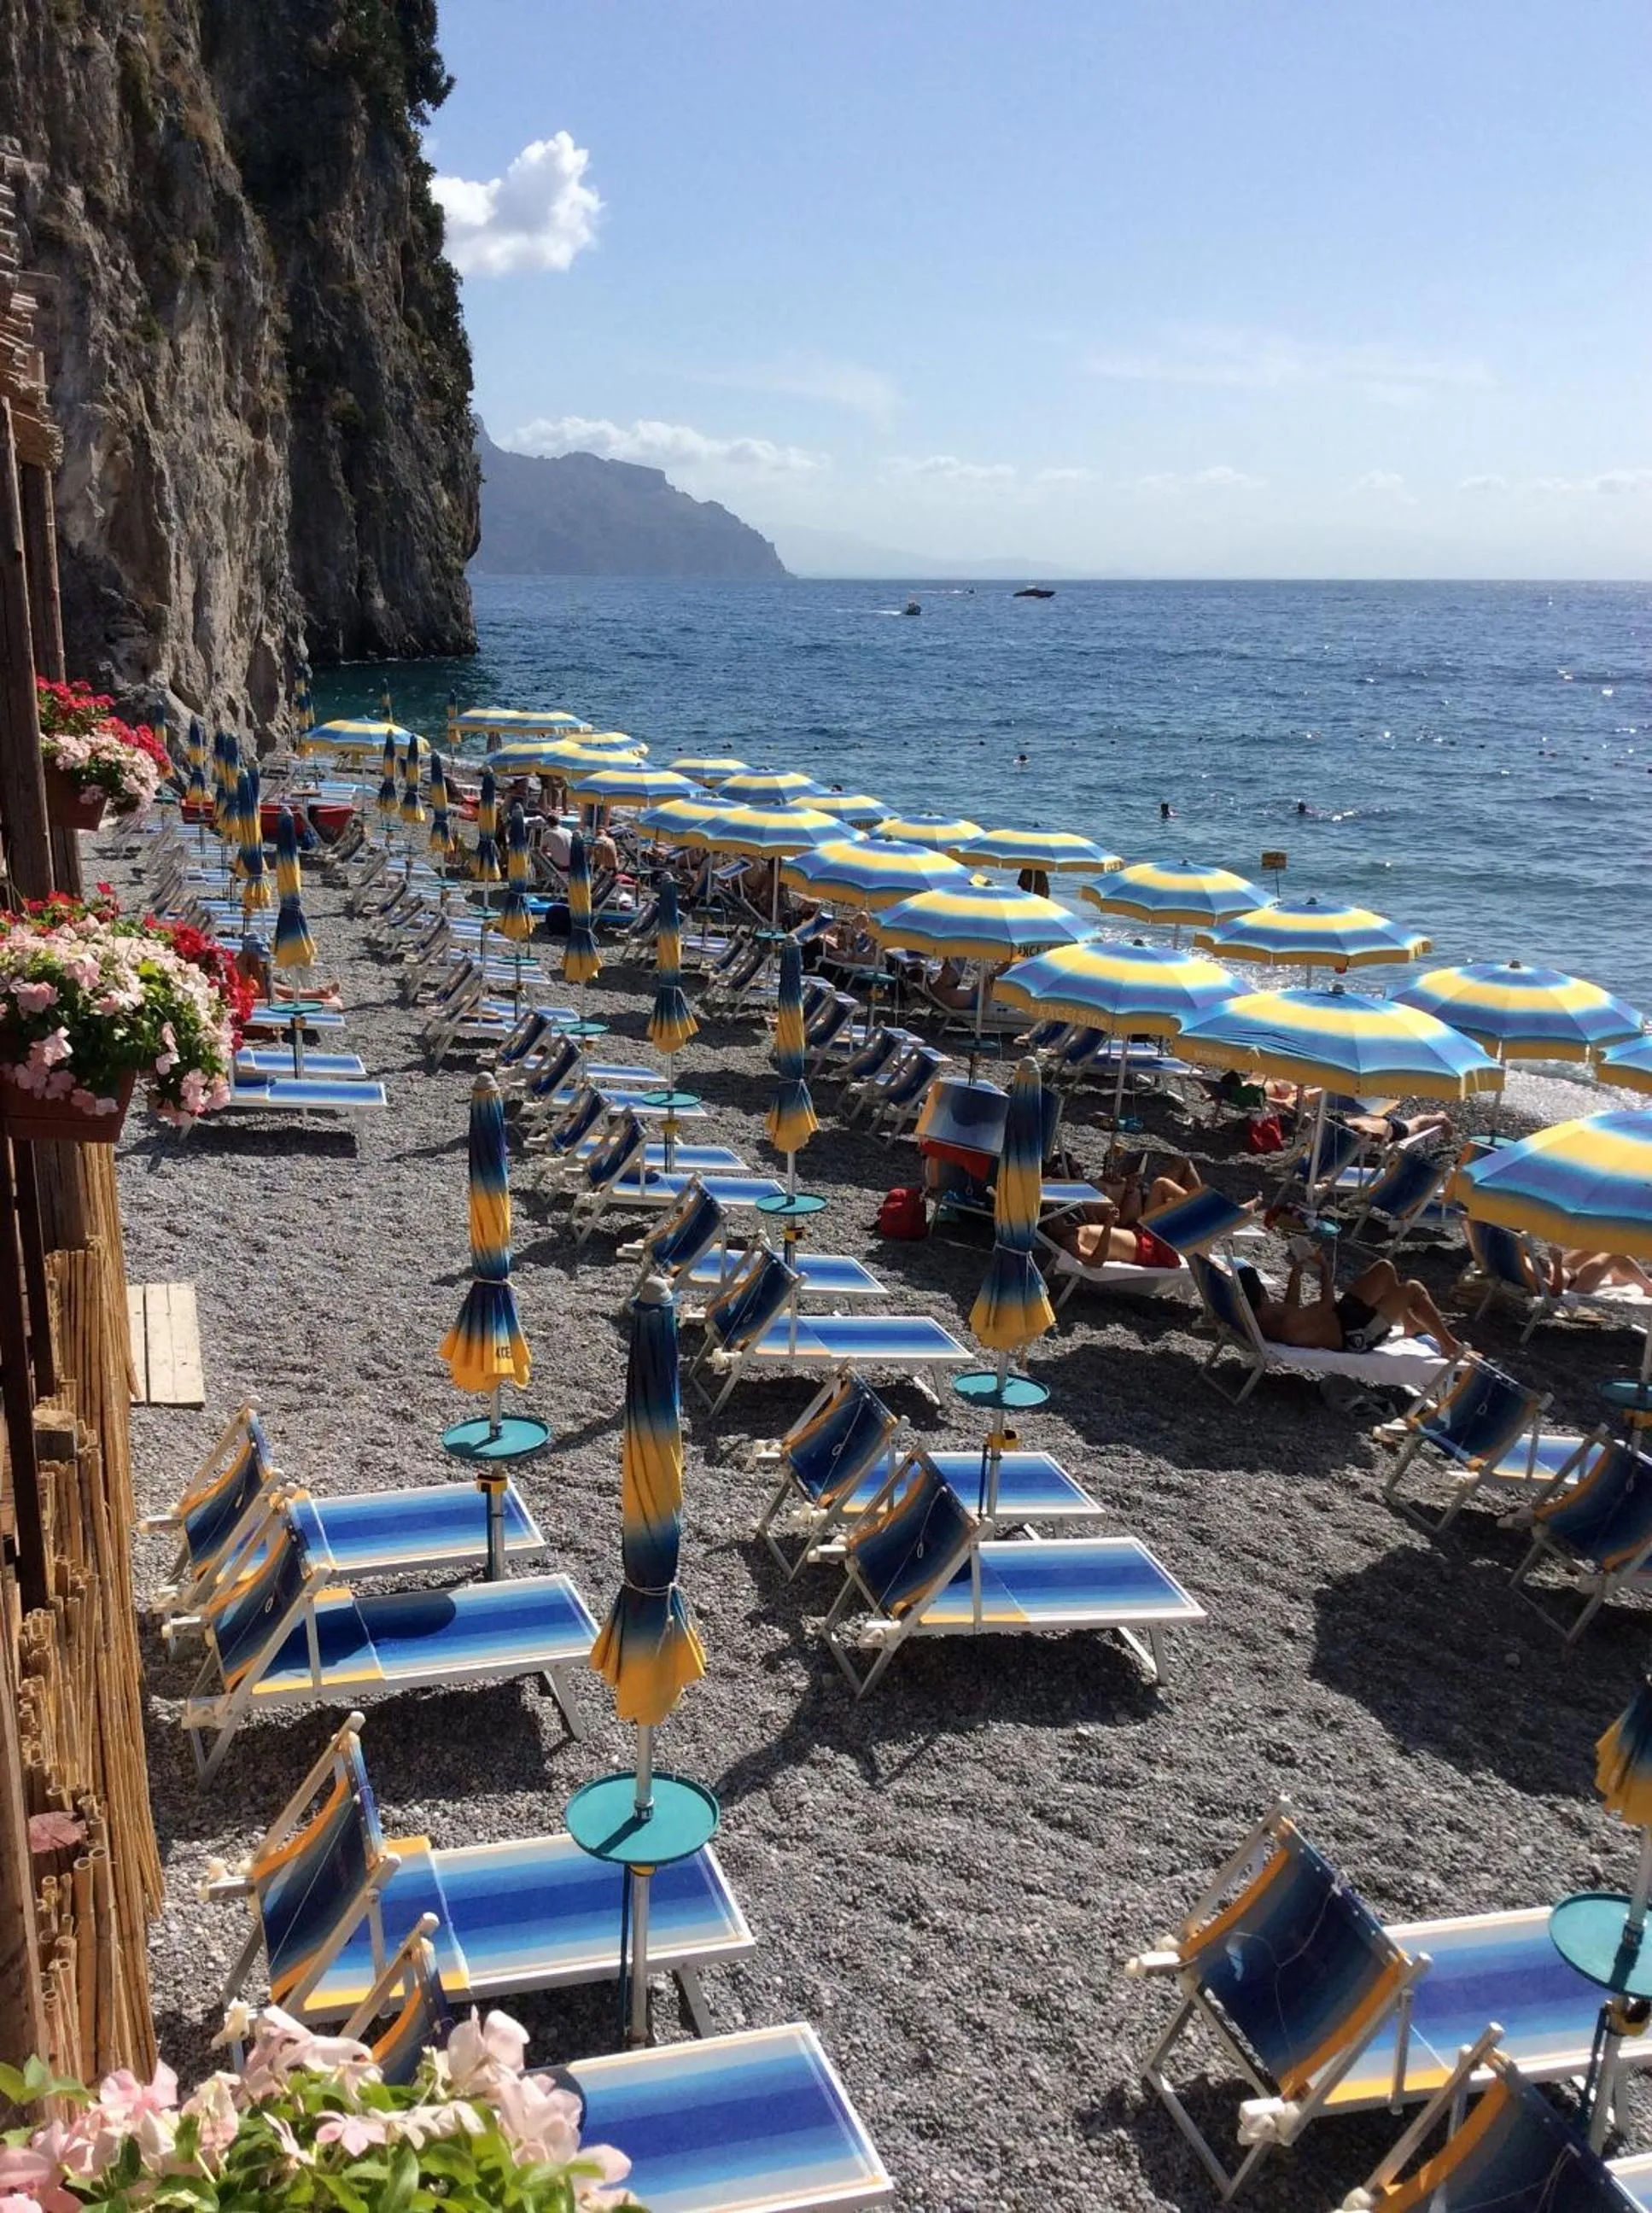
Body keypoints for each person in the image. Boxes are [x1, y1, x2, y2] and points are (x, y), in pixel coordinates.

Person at [1238, 1246, 1462, 1358]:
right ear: (1260, 1292)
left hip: (1343, 1318)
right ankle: (1448, 1344)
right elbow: (1326, 1306)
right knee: (1414, 1289)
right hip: (1357, 1335)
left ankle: (1408, 1322)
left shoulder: (1261, 1313)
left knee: (1384, 1268)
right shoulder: (1284, 1323)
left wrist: (1296, 1274)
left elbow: (1292, 1309)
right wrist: (1325, 1269)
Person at [1545, 1248, 1652, 1295]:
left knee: (1599, 1245)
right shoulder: (1533, 1275)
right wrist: (1557, 1265)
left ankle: (1619, 1276)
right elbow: (1555, 1292)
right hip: (1573, 1285)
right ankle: (1649, 1288)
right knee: (1616, 1254)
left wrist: (1555, 1264)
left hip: (1561, 1270)